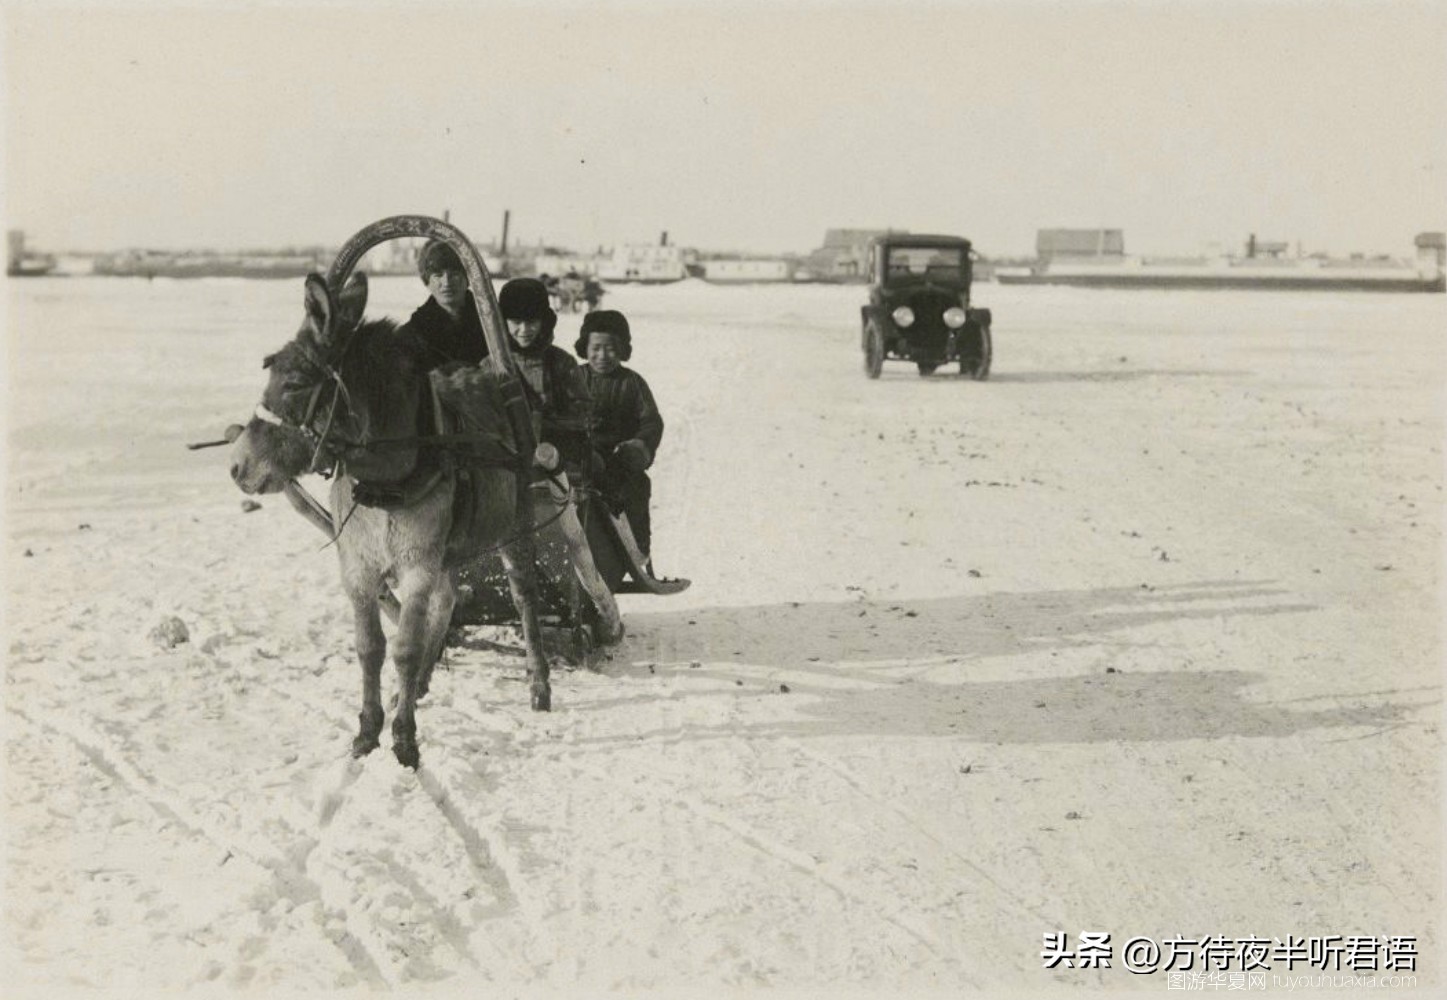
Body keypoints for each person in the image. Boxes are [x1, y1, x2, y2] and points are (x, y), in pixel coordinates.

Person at [573, 309, 663, 560]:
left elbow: (651, 421)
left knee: (636, 487)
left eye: (611, 348)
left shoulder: (632, 382)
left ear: (622, 349)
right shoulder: (574, 377)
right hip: (580, 455)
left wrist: (639, 445)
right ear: (585, 347)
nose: (602, 355)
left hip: (618, 457)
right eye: (596, 347)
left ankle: (638, 547)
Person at [496, 277, 593, 466]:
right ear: (503, 322)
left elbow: (584, 412)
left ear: (543, 322)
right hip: (504, 459)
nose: (524, 330)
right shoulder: (492, 365)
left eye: (532, 322)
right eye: (516, 322)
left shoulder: (562, 363)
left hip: (557, 455)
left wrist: (541, 422)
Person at [403, 240, 489, 371]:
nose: (447, 283)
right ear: (427, 281)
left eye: (454, 274)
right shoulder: (413, 333)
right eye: (438, 275)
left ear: (468, 279)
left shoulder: (491, 321)